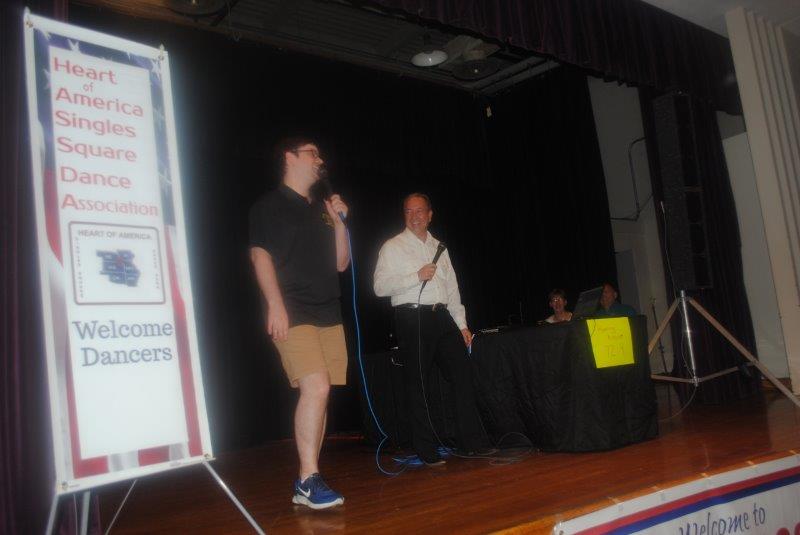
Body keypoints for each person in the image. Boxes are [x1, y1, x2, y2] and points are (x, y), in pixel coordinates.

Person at [249, 136, 349, 509]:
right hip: (293, 310)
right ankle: (308, 478)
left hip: (328, 313)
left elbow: (341, 263)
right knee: (316, 388)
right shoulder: (269, 205)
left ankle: (308, 480)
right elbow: (260, 257)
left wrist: (339, 224)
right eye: (312, 153)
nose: (320, 158)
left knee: (321, 395)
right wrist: (275, 305)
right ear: (290, 157)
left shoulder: (322, 208)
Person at [373, 193, 489, 465]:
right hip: (412, 317)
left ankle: (471, 443)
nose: (414, 216)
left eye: (419, 211)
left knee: (462, 373)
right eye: (408, 211)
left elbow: (452, 288)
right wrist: (416, 276)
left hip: (442, 316)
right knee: (418, 384)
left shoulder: (440, 247)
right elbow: (379, 287)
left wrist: (461, 324)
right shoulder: (392, 246)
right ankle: (426, 450)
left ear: (429, 214)